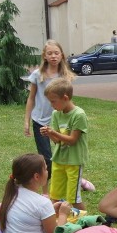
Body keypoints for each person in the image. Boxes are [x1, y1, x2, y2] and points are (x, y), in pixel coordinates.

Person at [24, 39, 75, 194]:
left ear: (62, 55)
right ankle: (46, 191)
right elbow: (31, 98)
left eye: (56, 53)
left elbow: (68, 99)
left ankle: (71, 180)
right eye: (50, 53)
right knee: (46, 158)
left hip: (60, 121)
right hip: (40, 121)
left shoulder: (65, 75)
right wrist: (26, 121)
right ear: (44, 56)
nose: (53, 56)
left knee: (65, 153)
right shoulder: (38, 75)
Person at [0, 154, 71, 233]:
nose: (47, 172)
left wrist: (51, 211)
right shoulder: (42, 202)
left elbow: (31, 213)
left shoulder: (12, 193)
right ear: (37, 176)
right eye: (46, 169)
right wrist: (63, 214)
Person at [39, 78, 88, 211]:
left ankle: (87, 222)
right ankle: (54, 222)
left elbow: (72, 140)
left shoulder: (79, 115)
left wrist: (53, 132)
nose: (51, 105)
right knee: (54, 195)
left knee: (73, 199)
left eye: (53, 101)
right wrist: (49, 134)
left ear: (65, 98)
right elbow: (58, 141)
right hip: (59, 160)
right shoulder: (56, 114)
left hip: (74, 161)